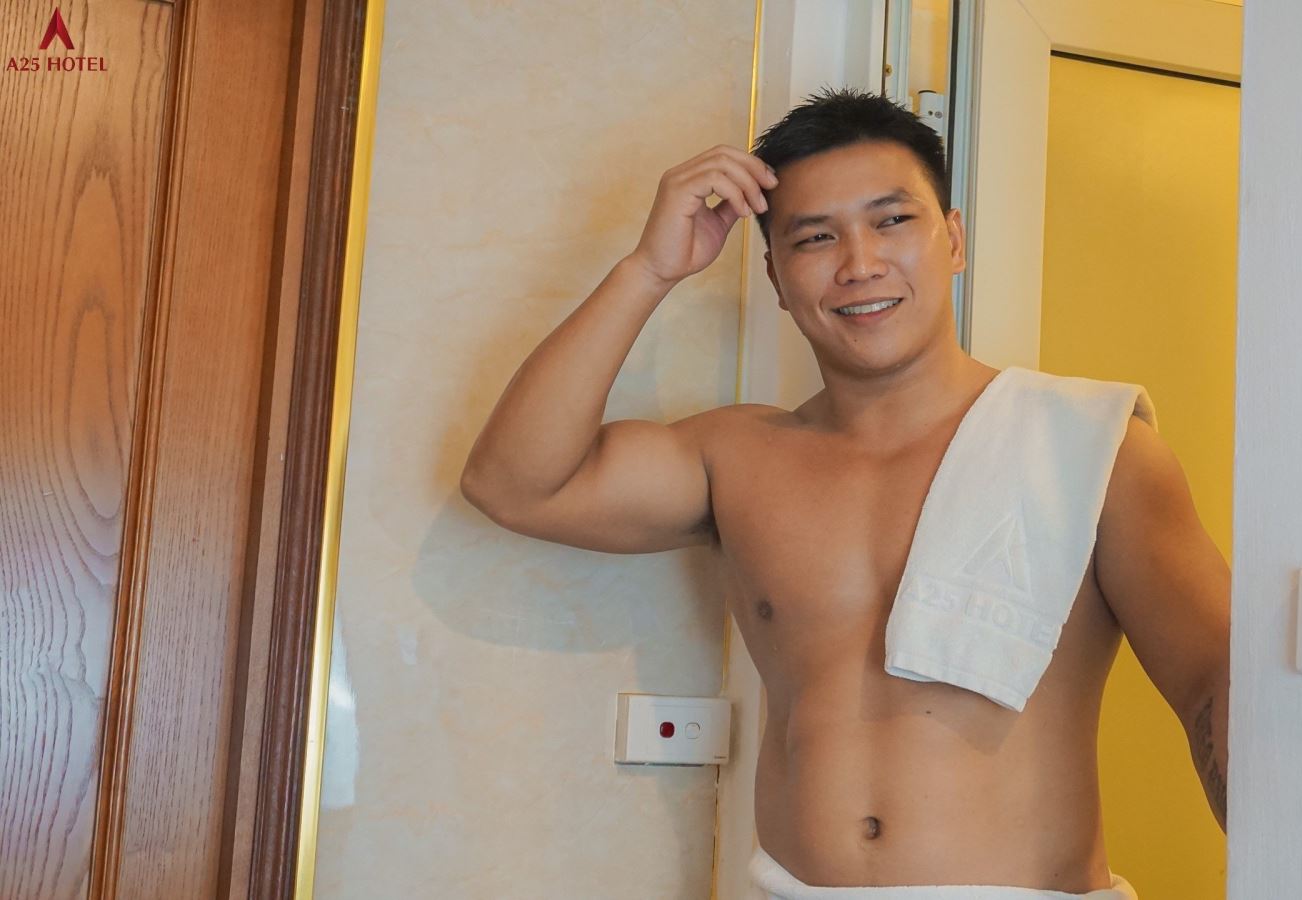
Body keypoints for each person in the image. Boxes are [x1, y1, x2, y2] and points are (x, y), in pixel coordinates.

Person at [459, 86, 1229, 898]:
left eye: (891, 221)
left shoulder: (1092, 450)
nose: (860, 264)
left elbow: (1216, 690)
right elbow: (513, 485)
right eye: (816, 237)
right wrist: (650, 269)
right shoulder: (738, 457)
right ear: (775, 276)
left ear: (953, 240)